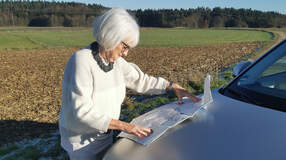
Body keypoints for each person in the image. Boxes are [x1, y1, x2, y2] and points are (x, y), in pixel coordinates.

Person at [59, 8, 201, 160]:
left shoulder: (117, 63)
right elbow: (82, 112)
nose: (126, 53)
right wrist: (126, 126)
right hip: (82, 143)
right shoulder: (81, 61)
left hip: (106, 134)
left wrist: (171, 86)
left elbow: (141, 80)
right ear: (111, 36)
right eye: (125, 47)